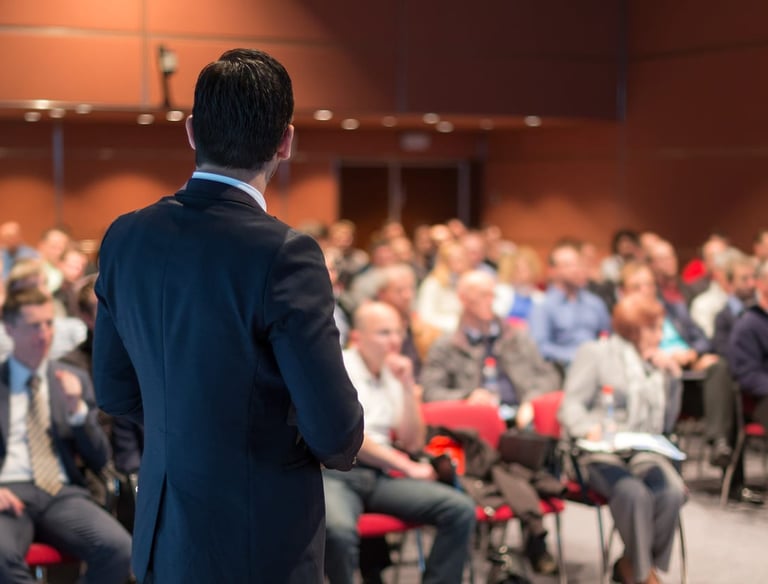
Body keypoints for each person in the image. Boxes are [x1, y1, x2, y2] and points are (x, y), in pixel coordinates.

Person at [93, 48, 364, 584]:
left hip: (164, 530)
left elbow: (115, 393)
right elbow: (336, 432)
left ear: (192, 131)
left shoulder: (126, 235)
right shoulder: (285, 253)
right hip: (259, 537)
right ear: (285, 141)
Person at [323, 302, 476, 584]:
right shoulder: (339, 368)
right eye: (384, 333)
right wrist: (405, 466)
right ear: (358, 337)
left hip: (378, 476)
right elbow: (349, 438)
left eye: (398, 332)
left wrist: (408, 387)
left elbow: (412, 439)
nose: (395, 341)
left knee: (459, 510)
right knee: (337, 532)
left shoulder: (393, 371)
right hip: (336, 474)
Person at [420, 270, 561, 575]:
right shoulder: (447, 345)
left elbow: (547, 376)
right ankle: (535, 536)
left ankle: (524, 536)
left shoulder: (515, 336)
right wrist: (468, 397)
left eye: (492, 294)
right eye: (482, 295)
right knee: (508, 466)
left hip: (518, 425)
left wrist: (530, 401)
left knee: (524, 453)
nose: (490, 301)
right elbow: (431, 392)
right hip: (475, 437)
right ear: (462, 299)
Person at [0, 287, 132, 584]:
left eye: (49, 324)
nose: (44, 334)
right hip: (9, 493)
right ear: (9, 329)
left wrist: (77, 411)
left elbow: (100, 457)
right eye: (34, 325)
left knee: (119, 550)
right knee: (2, 561)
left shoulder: (72, 378)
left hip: (61, 493)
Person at [559, 294, 686, 584]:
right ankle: (644, 576)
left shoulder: (655, 364)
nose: (660, 335)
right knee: (634, 493)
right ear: (633, 330)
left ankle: (632, 565)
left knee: (672, 492)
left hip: (642, 449)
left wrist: (672, 376)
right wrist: (586, 427)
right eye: (653, 329)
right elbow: (570, 405)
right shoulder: (596, 352)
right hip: (599, 451)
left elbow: (666, 422)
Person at [529, 240, 611, 370]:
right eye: (568, 265)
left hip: (599, 366)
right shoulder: (543, 306)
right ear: (552, 271)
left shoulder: (595, 303)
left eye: (578, 264)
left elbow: (607, 336)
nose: (576, 269)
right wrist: (577, 356)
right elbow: (540, 347)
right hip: (564, 368)